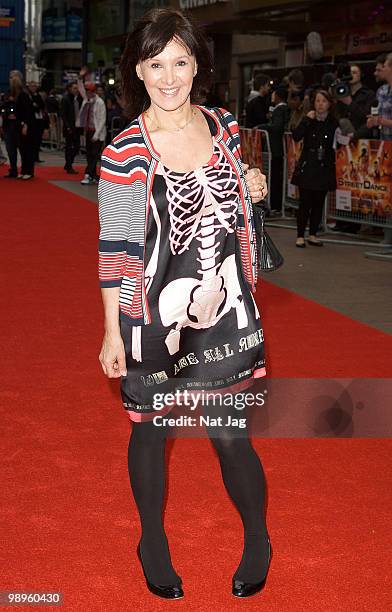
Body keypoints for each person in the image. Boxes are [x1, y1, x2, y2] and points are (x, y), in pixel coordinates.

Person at [97, 6, 271, 601]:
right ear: (138, 73)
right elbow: (114, 249)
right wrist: (112, 334)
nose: (168, 77)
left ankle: (258, 538)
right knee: (152, 431)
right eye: (154, 64)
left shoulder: (223, 125)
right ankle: (152, 540)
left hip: (225, 311)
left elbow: (239, 204)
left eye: (179, 61)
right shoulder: (123, 152)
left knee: (230, 433)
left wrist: (254, 187)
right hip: (151, 314)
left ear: (197, 66)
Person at [291, 89, 338, 247]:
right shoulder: (308, 119)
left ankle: (313, 234)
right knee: (305, 202)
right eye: (318, 101)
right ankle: (300, 235)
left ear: (329, 104)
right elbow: (296, 136)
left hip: (324, 166)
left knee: (319, 202)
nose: (320, 104)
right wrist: (305, 120)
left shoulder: (333, 122)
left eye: (324, 101)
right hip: (308, 164)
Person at [258, 85, 289, 215]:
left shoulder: (280, 110)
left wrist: (263, 126)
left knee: (276, 178)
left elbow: (276, 127)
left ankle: (275, 204)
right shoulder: (281, 109)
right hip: (277, 149)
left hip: (276, 149)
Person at [78, 79, 106, 184]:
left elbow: (102, 120)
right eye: (86, 92)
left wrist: (96, 134)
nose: (87, 93)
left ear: (93, 92)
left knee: (94, 154)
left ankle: (88, 174)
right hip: (88, 131)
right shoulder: (87, 100)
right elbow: (80, 89)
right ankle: (93, 175)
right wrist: (80, 78)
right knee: (89, 154)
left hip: (97, 133)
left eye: (89, 91)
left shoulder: (100, 103)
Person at [10, 70, 36, 180]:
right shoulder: (17, 96)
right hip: (20, 124)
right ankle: (24, 170)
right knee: (22, 149)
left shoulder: (23, 96)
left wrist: (25, 124)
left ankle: (29, 171)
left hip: (26, 125)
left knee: (27, 148)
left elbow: (28, 112)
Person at [367, 52, 392, 141]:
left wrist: (380, 121)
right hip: (384, 142)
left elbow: (381, 120)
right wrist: (373, 121)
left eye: (384, 67)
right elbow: (378, 115)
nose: (382, 69)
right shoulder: (382, 90)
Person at [60, 81, 83, 174]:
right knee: (69, 146)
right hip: (69, 126)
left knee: (77, 146)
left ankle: (68, 163)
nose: (76, 90)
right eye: (74, 88)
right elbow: (63, 114)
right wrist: (67, 126)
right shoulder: (65, 99)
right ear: (69, 88)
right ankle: (69, 165)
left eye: (76, 88)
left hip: (77, 125)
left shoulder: (77, 98)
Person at [0, 92, 18, 178]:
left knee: (15, 150)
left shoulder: (18, 104)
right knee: (10, 150)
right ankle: (13, 169)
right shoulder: (5, 105)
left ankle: (23, 170)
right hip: (7, 128)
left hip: (16, 128)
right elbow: (2, 111)